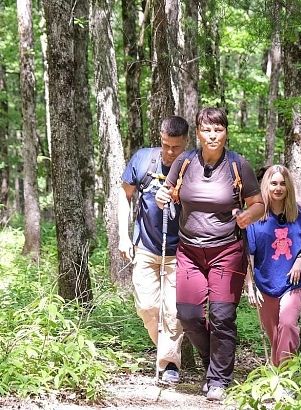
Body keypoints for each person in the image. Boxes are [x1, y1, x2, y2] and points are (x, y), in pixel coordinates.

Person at [155, 107, 264, 401]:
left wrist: (247, 216)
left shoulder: (238, 165)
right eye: (206, 130)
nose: (212, 135)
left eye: (218, 130)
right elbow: (166, 191)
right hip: (189, 250)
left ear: (226, 132)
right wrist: (162, 196)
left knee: (221, 316)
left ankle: (218, 378)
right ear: (199, 133)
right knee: (188, 315)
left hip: (227, 251)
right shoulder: (185, 161)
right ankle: (212, 363)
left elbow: (259, 204)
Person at [118, 115, 189, 384]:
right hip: (146, 247)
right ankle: (167, 350)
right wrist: (124, 237)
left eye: (177, 147)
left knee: (173, 310)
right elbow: (124, 196)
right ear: (160, 138)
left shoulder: (192, 164)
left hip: (180, 250)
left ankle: (169, 364)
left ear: (186, 143)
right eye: (166, 145)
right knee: (148, 306)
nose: (170, 152)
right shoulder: (143, 159)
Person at [245, 165, 301, 367]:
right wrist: (250, 285)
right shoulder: (255, 217)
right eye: (274, 183)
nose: (278, 188)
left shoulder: (299, 214)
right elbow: (248, 253)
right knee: (275, 334)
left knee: (287, 324)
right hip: (265, 284)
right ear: (266, 185)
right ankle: (280, 378)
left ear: (288, 187)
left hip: (294, 282)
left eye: (283, 184)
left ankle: (283, 376)